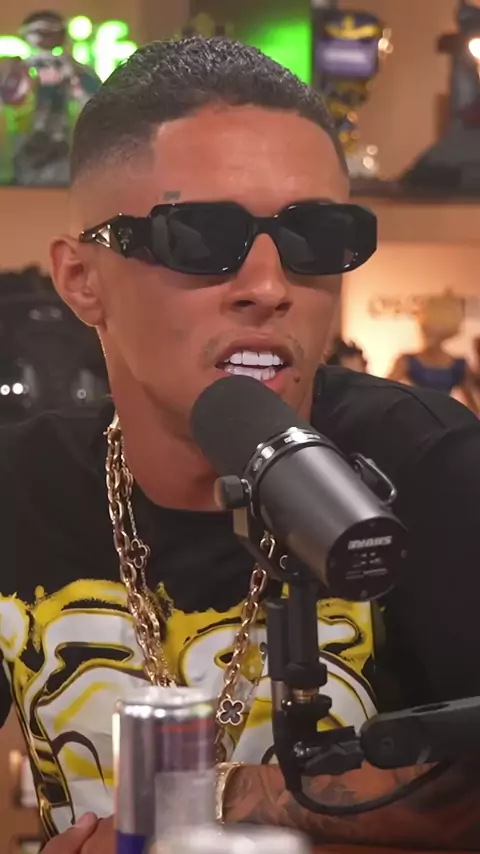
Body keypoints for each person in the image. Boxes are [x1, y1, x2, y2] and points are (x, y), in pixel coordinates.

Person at [1, 36, 480, 854]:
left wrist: (234, 797)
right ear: (82, 280)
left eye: (317, 236)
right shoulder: (21, 484)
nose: (268, 287)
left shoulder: (434, 466)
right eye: (199, 236)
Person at [388, 291, 478, 413]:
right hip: (417, 417)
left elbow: (471, 403)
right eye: (426, 328)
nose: (428, 333)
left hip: (443, 418)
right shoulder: (407, 361)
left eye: (434, 329)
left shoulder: (458, 365)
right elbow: (384, 390)